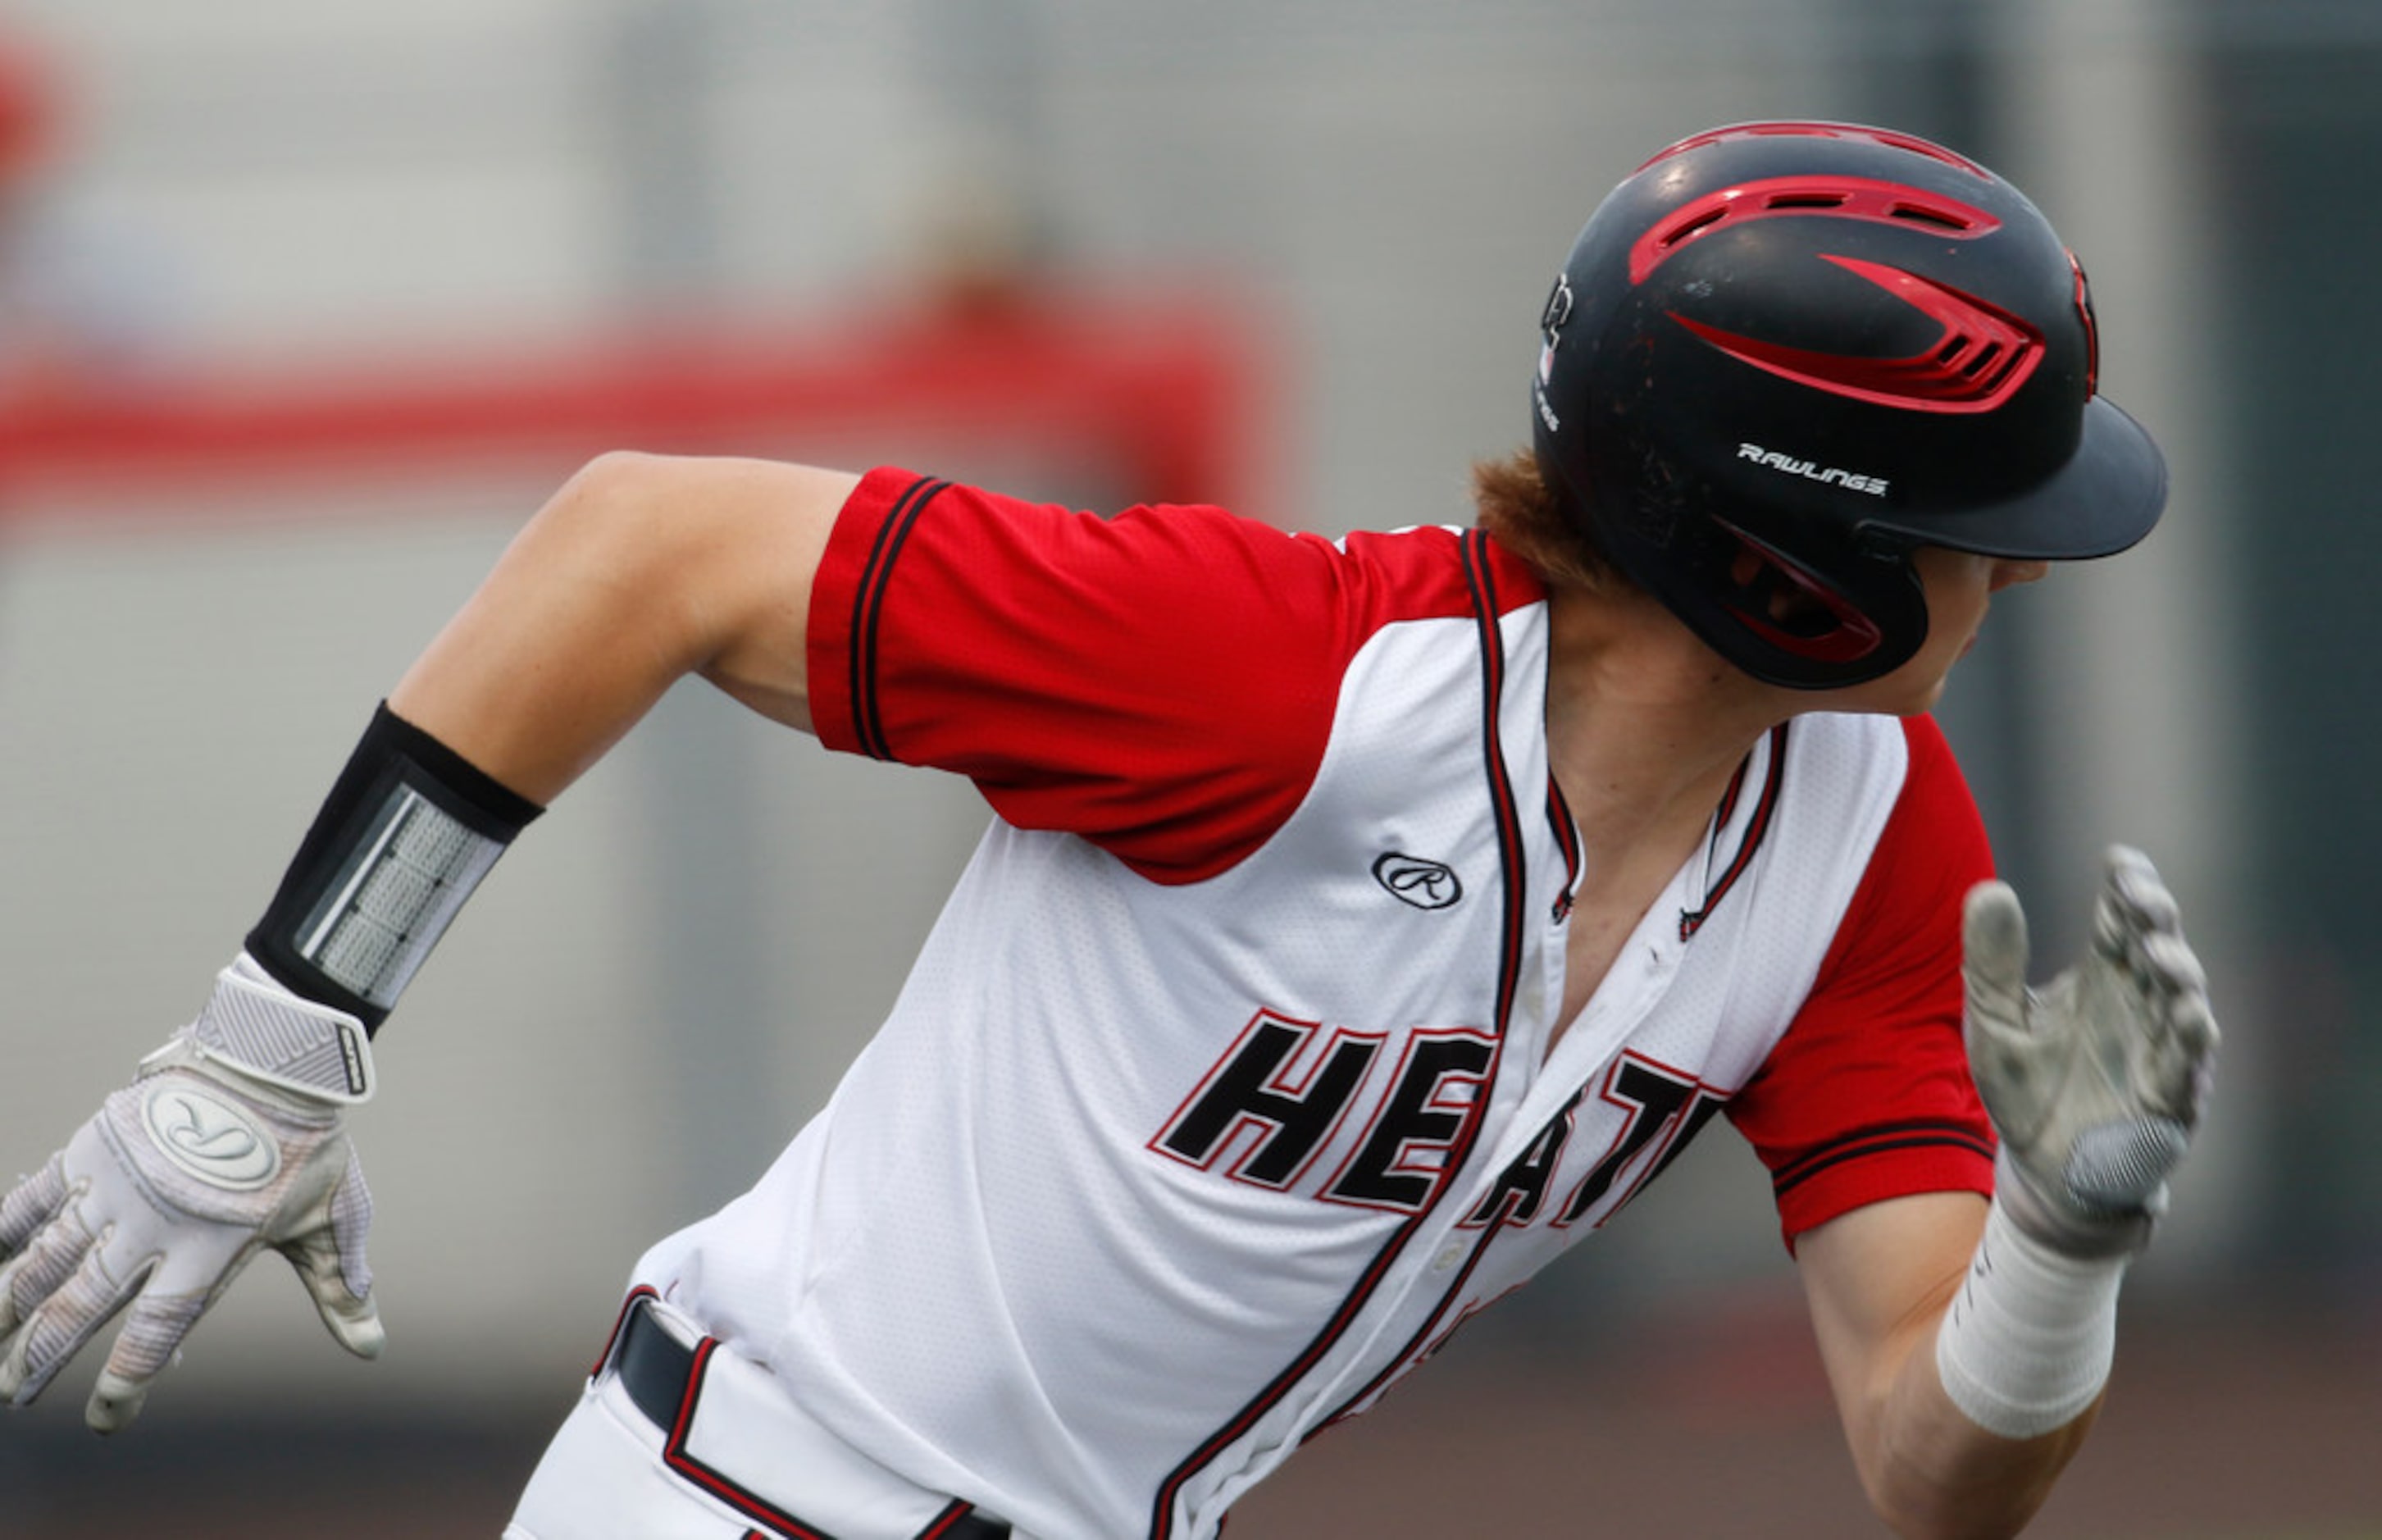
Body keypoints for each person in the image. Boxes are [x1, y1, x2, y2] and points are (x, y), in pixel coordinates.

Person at [0, 120, 2217, 1540]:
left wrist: (2057, 1250)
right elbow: (634, 546)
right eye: (1970, 521)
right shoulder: (1286, 675)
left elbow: (1935, 1474)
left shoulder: (1869, 831)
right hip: (737, 1509)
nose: (2018, 566)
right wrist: (280, 1029)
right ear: (1771, 553)